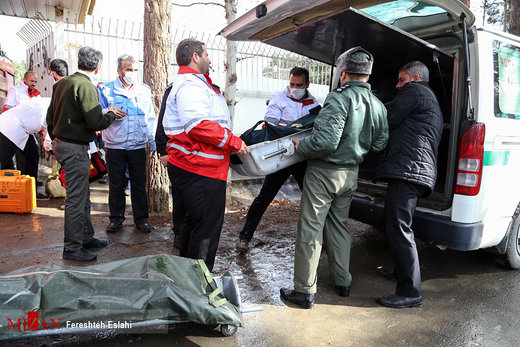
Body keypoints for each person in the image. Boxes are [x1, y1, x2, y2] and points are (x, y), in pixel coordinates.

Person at [279, 47, 389, 309]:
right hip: (350, 174)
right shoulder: (378, 104)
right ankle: (343, 282)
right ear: (368, 74)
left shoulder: (338, 98)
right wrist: (357, 147)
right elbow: (380, 142)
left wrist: (301, 148)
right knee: (339, 226)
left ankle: (304, 291)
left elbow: (325, 142)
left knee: (311, 228)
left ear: (344, 73)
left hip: (324, 173)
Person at [163, 38, 250, 271]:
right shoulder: (191, 86)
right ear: (196, 57)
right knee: (206, 230)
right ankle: (200, 287)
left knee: (193, 224)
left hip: (198, 166)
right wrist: (233, 142)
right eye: (207, 54)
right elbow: (198, 125)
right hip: (199, 168)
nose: (210, 59)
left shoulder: (196, 84)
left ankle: (189, 281)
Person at [46, 46, 127, 262]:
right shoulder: (86, 86)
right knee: (76, 198)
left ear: (78, 62)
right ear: (98, 67)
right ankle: (72, 247)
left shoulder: (62, 83)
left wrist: (56, 137)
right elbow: (95, 122)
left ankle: (85, 237)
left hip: (63, 144)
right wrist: (110, 114)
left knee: (81, 195)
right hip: (75, 147)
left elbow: (50, 117)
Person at [375, 61, 443, 309]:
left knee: (400, 228)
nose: (397, 85)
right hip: (413, 170)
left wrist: (368, 104)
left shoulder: (415, 91)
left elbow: (387, 116)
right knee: (396, 225)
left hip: (409, 170)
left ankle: (410, 292)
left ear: (415, 78)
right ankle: (401, 272)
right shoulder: (428, 98)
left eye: (401, 80)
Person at [236, 67, 320, 251]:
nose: (294, 87)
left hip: (303, 156)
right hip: (281, 158)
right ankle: (245, 237)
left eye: (299, 85)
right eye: (291, 84)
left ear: (307, 84)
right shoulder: (278, 99)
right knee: (265, 196)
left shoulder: (314, 104)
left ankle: (316, 240)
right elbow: (271, 126)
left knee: (312, 197)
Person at [98, 54, 156, 233]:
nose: (132, 73)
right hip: (115, 145)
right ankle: (116, 219)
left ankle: (141, 220)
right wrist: (109, 111)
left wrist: (152, 141)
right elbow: (97, 113)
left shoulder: (144, 90)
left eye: (135, 70)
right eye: (129, 69)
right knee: (116, 184)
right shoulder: (106, 89)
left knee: (139, 184)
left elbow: (150, 116)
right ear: (119, 70)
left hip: (138, 144)